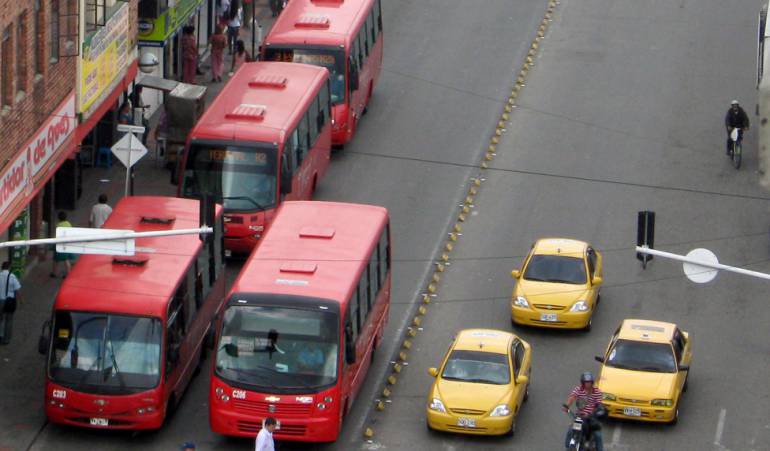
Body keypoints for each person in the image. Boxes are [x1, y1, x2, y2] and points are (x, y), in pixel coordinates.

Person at [562, 372, 604, 451]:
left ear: (592, 383)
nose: (587, 384)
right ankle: (568, 447)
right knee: (571, 430)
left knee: (597, 434)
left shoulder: (597, 392)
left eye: (589, 382)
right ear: (583, 383)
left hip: (591, 418)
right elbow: (572, 397)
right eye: (586, 382)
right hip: (580, 417)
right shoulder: (579, 389)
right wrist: (566, 406)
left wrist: (596, 411)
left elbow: (599, 404)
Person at [0, 262, 21, 345]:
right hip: (9, 301)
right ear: (9, 268)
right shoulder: (12, 277)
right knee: (9, 320)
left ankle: (0, 336)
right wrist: (20, 301)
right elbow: (17, 290)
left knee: (0, 319)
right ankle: (6, 339)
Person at [51, 211, 76, 278]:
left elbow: (55, 236)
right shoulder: (68, 224)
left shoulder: (58, 225)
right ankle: (68, 274)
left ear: (58, 218)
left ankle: (54, 273)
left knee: (56, 260)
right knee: (66, 259)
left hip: (59, 244)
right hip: (67, 244)